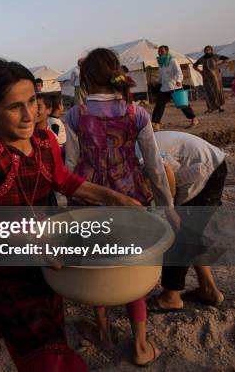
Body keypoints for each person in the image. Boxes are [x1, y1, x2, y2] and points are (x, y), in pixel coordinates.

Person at [0, 57, 142, 371]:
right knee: (47, 353)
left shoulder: (44, 142)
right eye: (14, 107)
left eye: (32, 101)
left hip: (47, 264)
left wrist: (116, 199)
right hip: (5, 274)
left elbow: (65, 181)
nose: (29, 114)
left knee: (49, 338)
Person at [64, 48, 174, 367]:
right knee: (131, 267)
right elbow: (153, 166)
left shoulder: (73, 116)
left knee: (97, 264)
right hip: (130, 197)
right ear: (117, 74)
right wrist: (168, 206)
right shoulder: (136, 113)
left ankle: (103, 332)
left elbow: (69, 167)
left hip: (88, 200)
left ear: (84, 79)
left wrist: (64, 210)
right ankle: (140, 345)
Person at [144, 131, 227, 311]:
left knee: (180, 233)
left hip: (206, 173)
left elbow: (165, 171)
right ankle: (209, 290)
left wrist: (170, 208)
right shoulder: (133, 146)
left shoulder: (136, 153)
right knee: (191, 233)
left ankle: (171, 297)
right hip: (206, 166)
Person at [151, 45, 198, 130]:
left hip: (175, 86)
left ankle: (194, 119)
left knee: (183, 105)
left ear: (167, 51)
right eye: (159, 51)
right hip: (164, 88)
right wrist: (156, 81)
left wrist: (179, 81)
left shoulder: (173, 60)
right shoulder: (161, 63)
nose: (160, 52)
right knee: (159, 105)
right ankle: (156, 123)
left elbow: (179, 73)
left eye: (162, 51)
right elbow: (161, 76)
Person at [194, 45, 229, 113]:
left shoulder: (215, 56)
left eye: (209, 50)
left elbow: (226, 58)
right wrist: (201, 72)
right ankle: (210, 108)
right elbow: (194, 66)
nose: (208, 51)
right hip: (207, 79)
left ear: (211, 50)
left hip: (216, 78)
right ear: (204, 51)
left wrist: (220, 64)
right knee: (208, 93)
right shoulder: (202, 58)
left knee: (217, 92)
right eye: (206, 50)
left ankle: (220, 108)